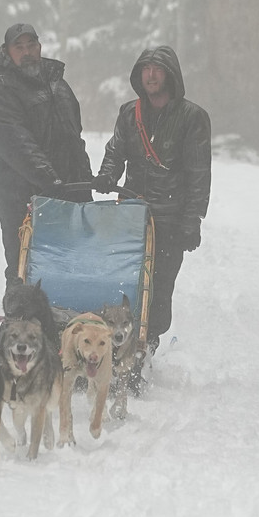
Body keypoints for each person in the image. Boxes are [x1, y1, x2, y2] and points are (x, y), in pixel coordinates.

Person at [94, 46, 211, 383]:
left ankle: (146, 351)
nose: (151, 75)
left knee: (159, 290)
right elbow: (116, 151)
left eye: (157, 69)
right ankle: (122, 349)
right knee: (125, 285)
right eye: (145, 69)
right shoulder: (130, 113)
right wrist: (107, 175)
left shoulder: (192, 118)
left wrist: (193, 221)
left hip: (171, 219)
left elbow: (198, 175)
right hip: (131, 215)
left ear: (171, 74)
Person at [0, 23, 93, 282]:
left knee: (70, 267)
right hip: (22, 197)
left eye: (31, 45)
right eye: (18, 47)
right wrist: (51, 181)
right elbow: (16, 144)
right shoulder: (1, 89)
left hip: (67, 192)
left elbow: (74, 136)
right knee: (25, 268)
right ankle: (18, 320)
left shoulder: (58, 84)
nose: (26, 52)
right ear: (7, 52)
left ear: (40, 47)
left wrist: (85, 181)